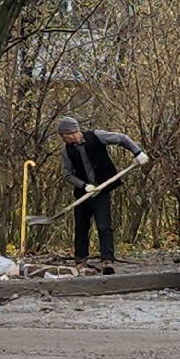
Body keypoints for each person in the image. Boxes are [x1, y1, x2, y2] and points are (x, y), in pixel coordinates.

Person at [56, 117, 148, 274]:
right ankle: (80, 260)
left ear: (70, 133)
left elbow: (122, 138)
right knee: (81, 227)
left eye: (63, 135)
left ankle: (107, 260)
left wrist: (137, 152)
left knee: (104, 226)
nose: (63, 139)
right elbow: (66, 174)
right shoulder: (67, 151)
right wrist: (84, 186)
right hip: (83, 193)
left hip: (102, 190)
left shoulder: (96, 136)